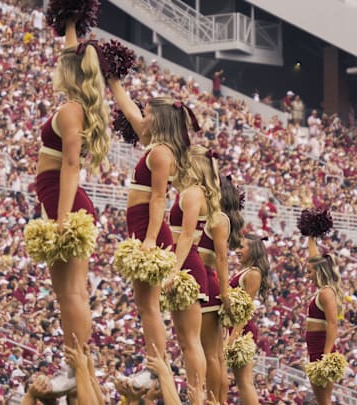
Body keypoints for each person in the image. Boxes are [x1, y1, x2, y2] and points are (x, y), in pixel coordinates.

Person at [33, 19, 109, 395]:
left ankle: (76, 362)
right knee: (65, 294)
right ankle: (73, 361)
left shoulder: (71, 111)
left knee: (74, 292)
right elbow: (75, 54)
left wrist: (61, 220)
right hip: (58, 202)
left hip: (66, 205)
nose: (55, 67)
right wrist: (70, 23)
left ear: (69, 72)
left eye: (61, 63)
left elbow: (70, 166)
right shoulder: (74, 107)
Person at [107, 73, 193, 388]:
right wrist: (113, 81)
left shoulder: (160, 153)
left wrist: (149, 239)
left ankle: (157, 368)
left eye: (149, 113)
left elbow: (159, 198)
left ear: (160, 119)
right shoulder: (157, 145)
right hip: (141, 223)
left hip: (148, 225)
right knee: (144, 303)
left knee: (148, 303)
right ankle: (154, 364)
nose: (143, 117)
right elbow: (130, 111)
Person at [167, 145, 226, 404]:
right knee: (186, 340)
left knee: (191, 341)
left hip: (188, 266)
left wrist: (173, 270)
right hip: (187, 265)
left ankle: (197, 395)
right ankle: (196, 393)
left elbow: (188, 237)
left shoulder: (192, 193)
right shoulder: (196, 193)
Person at [197, 175, 245, 402]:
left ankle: (213, 399)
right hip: (210, 281)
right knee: (215, 354)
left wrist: (225, 292)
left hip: (208, 282)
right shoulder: (216, 218)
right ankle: (219, 399)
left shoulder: (217, 219)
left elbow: (221, 259)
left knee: (211, 354)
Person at [226, 235, 271, 405]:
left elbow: (246, 309)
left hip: (241, 331)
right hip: (234, 328)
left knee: (245, 381)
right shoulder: (244, 270)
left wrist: (234, 336)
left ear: (253, 250)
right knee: (242, 381)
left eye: (242, 247)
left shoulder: (254, 273)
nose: (237, 250)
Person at [304, 235, 344, 405]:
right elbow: (313, 256)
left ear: (319, 272)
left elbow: (333, 324)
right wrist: (311, 236)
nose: (307, 276)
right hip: (315, 347)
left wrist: (326, 355)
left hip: (322, 348)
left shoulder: (327, 293)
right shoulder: (323, 290)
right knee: (321, 400)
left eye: (309, 272)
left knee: (324, 400)